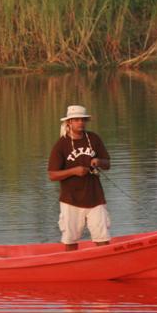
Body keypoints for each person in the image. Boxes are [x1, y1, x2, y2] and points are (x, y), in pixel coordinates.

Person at [47, 105, 111, 251]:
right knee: (70, 239)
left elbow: (108, 164)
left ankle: (105, 266)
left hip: (95, 198)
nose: (80, 123)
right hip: (71, 200)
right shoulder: (61, 144)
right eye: (76, 120)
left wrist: (99, 162)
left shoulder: (94, 139)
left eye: (82, 120)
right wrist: (74, 171)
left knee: (103, 237)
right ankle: (71, 268)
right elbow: (52, 175)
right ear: (69, 122)